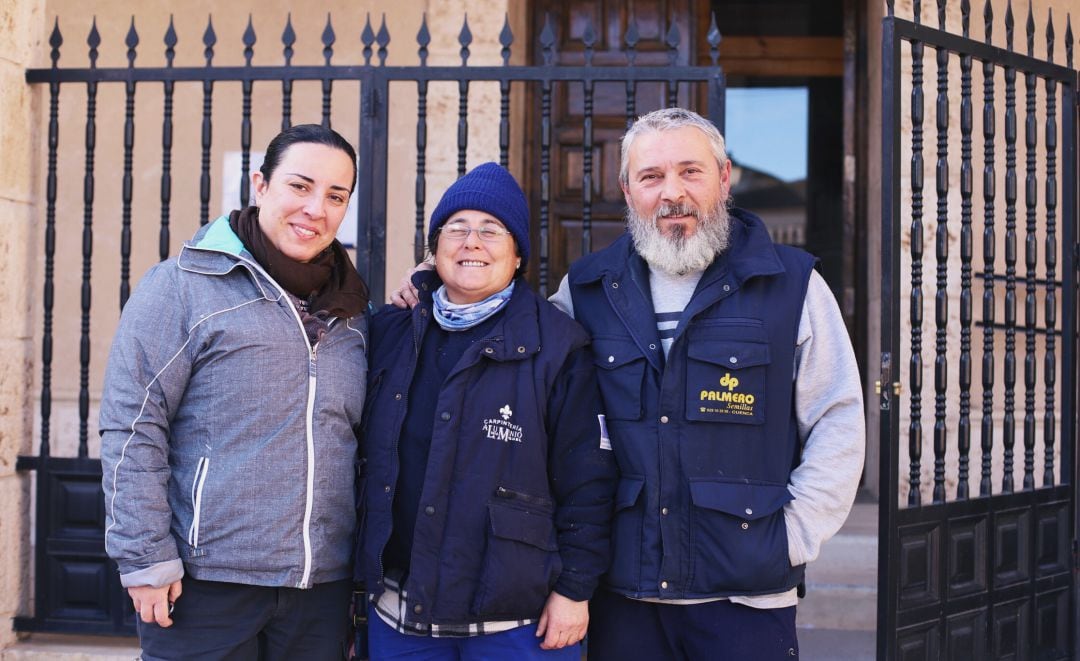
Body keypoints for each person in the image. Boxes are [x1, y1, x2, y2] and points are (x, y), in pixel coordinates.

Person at [393, 108, 865, 660]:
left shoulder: (793, 286)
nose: (673, 193)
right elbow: (511, 356)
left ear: (724, 178)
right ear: (626, 189)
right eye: (651, 177)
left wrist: (792, 536)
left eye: (691, 172)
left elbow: (837, 417)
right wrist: (436, 279)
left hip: (746, 595)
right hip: (623, 594)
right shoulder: (588, 288)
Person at [100, 124, 370, 660]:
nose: (315, 208)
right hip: (204, 584)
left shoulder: (356, 312)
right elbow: (134, 425)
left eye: (335, 196)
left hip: (319, 590)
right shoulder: (182, 286)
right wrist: (146, 557)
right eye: (300, 186)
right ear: (261, 184)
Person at [358, 162, 617, 659]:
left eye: (491, 230)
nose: (471, 241)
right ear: (434, 251)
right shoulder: (390, 332)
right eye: (456, 228)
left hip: (518, 619)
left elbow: (590, 480)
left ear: (518, 255)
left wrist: (576, 588)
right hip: (400, 611)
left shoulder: (559, 345)